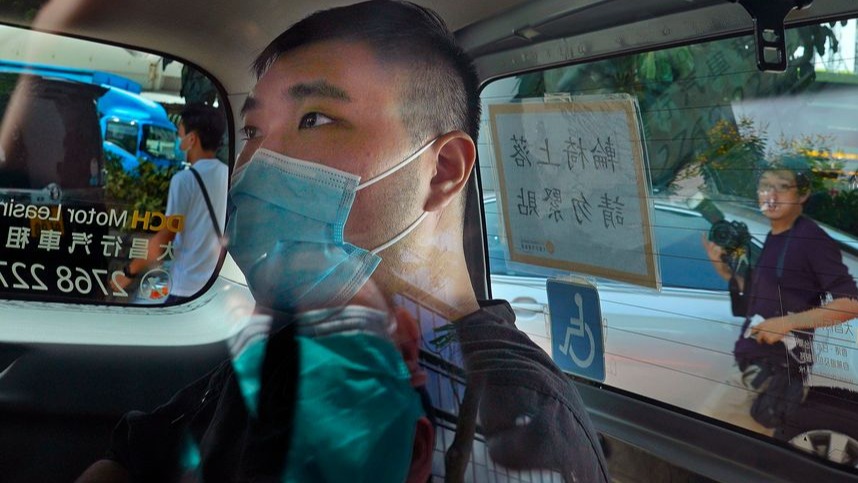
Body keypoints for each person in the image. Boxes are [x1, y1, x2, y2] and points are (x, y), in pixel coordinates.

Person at [78, 1, 610, 481]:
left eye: (316, 119)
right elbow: (140, 450)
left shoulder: (511, 418)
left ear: (442, 170)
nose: (258, 165)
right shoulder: (302, 338)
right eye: (257, 131)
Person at [703, 156, 858, 431]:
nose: (770, 195)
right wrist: (726, 272)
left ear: (803, 193)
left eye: (782, 187)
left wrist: (787, 323)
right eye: (764, 186)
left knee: (704, 444)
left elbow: (851, 303)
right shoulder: (776, 236)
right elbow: (757, 304)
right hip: (754, 370)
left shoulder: (810, 240)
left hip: (767, 376)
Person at [113, 103, 228, 304]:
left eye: (179, 134)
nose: (177, 140)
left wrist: (128, 273)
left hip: (185, 285)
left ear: (191, 139)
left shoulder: (185, 180)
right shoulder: (228, 174)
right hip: (213, 284)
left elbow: (165, 236)